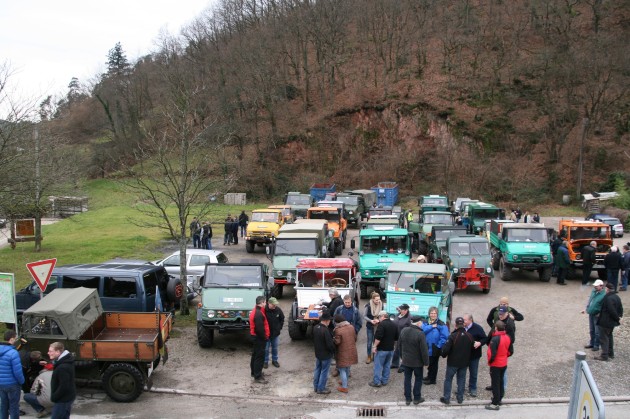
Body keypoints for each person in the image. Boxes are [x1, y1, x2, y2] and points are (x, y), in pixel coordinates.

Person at [439, 317, 474, 405]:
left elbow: (446, 350)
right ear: (464, 325)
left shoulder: (453, 336)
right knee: (461, 380)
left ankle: (447, 398)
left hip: (452, 363)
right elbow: (472, 348)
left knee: (448, 380)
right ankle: (460, 398)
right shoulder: (469, 336)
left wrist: (443, 354)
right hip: (464, 363)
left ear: (455, 325)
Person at [398, 315, 429, 405]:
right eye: (421, 323)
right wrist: (426, 362)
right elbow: (424, 350)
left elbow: (399, 345)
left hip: (406, 361)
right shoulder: (420, 334)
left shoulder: (404, 330)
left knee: (407, 379)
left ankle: (408, 398)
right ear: (419, 323)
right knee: (418, 379)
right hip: (417, 363)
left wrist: (402, 357)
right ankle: (417, 398)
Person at [485, 320, 513, 411]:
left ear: (496, 328)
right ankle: (499, 398)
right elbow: (510, 351)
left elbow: (492, 354)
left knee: (495, 384)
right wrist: (504, 356)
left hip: (496, 364)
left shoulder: (495, 339)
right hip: (503, 363)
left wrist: (490, 362)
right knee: (501, 382)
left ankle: (495, 403)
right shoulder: (508, 337)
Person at [369, 310, 398, 388]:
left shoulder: (381, 325)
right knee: (387, 365)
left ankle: (377, 382)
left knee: (378, 366)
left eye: (379, 317)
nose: (379, 318)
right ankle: (384, 381)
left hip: (381, 349)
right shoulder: (394, 324)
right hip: (390, 349)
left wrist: (374, 346)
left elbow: (378, 337)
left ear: (382, 316)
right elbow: (396, 337)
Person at [595, 283, 623, 361]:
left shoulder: (608, 298)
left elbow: (611, 310)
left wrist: (617, 318)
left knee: (604, 338)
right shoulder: (617, 297)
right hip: (611, 323)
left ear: (607, 289)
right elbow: (620, 309)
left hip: (605, 321)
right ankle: (610, 353)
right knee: (609, 337)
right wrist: (619, 317)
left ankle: (604, 355)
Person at [0, 330, 25, 419]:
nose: (15, 340)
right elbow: (17, 372)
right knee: (14, 406)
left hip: (1, 384)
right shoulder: (13, 353)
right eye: (15, 338)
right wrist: (22, 381)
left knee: (3, 405)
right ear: (11, 339)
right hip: (12, 384)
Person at [422, 306, 449, 385]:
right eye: (431, 313)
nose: (433, 315)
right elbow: (422, 331)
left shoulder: (441, 324)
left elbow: (445, 336)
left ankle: (432, 379)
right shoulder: (425, 322)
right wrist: (431, 326)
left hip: (435, 347)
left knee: (434, 364)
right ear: (429, 314)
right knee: (429, 363)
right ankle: (429, 376)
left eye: (435, 313)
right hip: (426, 346)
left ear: (437, 314)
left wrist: (438, 346)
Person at [48, 341, 75, 419]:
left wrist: (54, 397)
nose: (48, 353)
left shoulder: (62, 367)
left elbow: (64, 386)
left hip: (62, 400)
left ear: (58, 352)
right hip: (66, 398)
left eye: (50, 351)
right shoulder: (66, 361)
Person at [332, 313, 358, 393]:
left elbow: (337, 342)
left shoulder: (338, 330)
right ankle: (345, 381)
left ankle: (344, 387)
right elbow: (355, 338)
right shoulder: (351, 327)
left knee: (342, 369)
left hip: (342, 352)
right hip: (351, 350)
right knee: (347, 367)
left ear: (337, 322)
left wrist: (333, 339)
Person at [463, 313, 486, 398]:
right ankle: (461, 388)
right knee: (462, 373)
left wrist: (480, 343)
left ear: (470, 320)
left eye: (465, 320)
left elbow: (485, 338)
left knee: (473, 373)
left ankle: (472, 388)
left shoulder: (478, 328)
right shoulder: (462, 328)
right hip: (463, 355)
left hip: (474, 355)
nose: (463, 321)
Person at [313, 312, 335, 394]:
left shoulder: (315, 327)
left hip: (318, 353)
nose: (330, 322)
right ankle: (321, 388)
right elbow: (330, 345)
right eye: (329, 320)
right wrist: (333, 351)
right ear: (327, 321)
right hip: (326, 355)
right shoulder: (325, 330)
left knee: (317, 369)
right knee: (324, 372)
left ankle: (316, 386)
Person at [249, 296, 269, 383]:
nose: (266, 303)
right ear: (262, 303)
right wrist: (265, 337)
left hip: (256, 337)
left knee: (255, 355)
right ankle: (258, 376)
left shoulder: (257, 311)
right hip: (259, 338)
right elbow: (260, 329)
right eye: (265, 302)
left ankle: (254, 372)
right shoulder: (258, 314)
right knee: (259, 357)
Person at [581, 279, 606, 352]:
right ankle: (591, 343)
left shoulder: (604, 295)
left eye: (597, 286)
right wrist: (586, 309)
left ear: (601, 286)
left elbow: (604, 306)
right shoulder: (594, 291)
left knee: (597, 331)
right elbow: (590, 301)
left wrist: (600, 313)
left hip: (597, 315)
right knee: (592, 330)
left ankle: (596, 345)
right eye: (595, 286)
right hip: (591, 313)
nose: (595, 287)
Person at [263, 297, 284, 369]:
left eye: (275, 304)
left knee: (275, 348)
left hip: (275, 334)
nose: (275, 305)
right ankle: (265, 361)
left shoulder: (278, 310)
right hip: (266, 334)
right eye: (273, 304)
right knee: (266, 348)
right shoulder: (264, 310)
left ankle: (274, 360)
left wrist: (279, 328)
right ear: (269, 303)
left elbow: (282, 318)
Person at [391, 304, 411, 372]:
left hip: (405, 338)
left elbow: (411, 328)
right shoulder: (398, 315)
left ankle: (403, 366)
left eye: (402, 309)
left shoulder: (409, 318)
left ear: (406, 310)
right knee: (396, 350)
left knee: (403, 352)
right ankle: (395, 364)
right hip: (397, 336)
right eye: (400, 309)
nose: (400, 310)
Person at [363, 292, 382, 364]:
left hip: (378, 326)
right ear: (373, 299)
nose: (378, 301)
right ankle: (369, 356)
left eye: (379, 299)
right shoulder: (368, 306)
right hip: (370, 326)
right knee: (369, 343)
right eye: (376, 300)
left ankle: (375, 356)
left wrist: (379, 320)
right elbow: (364, 316)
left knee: (376, 342)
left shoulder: (381, 305)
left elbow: (382, 315)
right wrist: (371, 320)